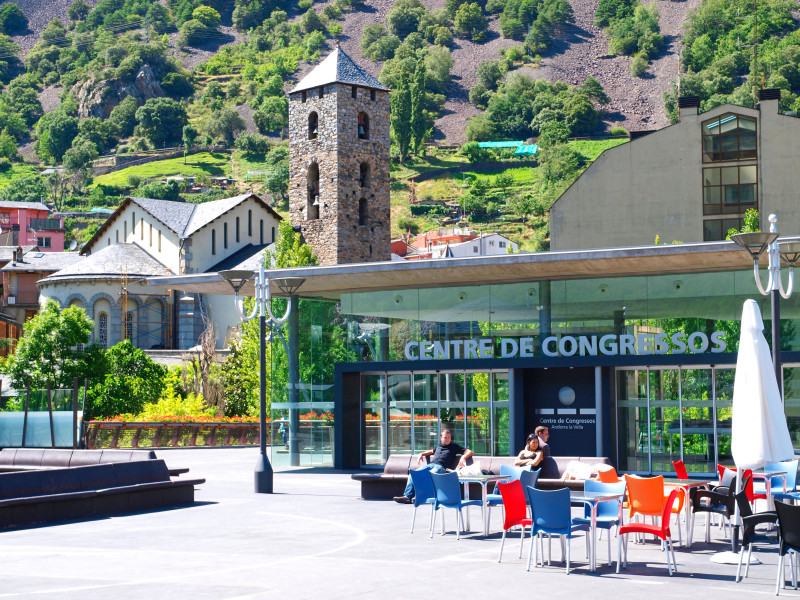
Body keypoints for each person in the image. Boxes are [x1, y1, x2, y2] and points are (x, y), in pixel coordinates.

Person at [393, 429, 473, 504]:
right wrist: (421, 454)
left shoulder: (454, 447)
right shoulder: (439, 446)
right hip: (431, 465)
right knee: (413, 474)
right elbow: (431, 451)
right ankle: (407, 497)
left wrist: (463, 457)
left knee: (431, 474)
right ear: (441, 438)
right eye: (445, 437)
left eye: (449, 437)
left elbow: (470, 452)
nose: (447, 439)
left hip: (441, 467)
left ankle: (422, 497)